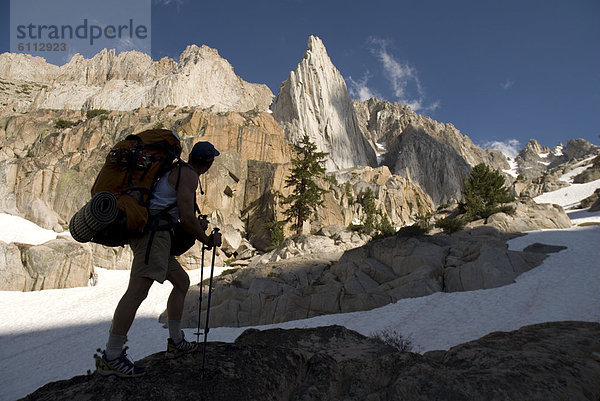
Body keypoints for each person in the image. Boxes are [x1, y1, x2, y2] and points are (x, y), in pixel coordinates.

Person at [96, 141, 222, 378]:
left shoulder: (176, 170)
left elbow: (174, 211)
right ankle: (111, 357)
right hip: (153, 237)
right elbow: (186, 216)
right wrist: (206, 239)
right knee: (137, 292)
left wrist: (197, 227)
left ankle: (175, 341)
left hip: (155, 237)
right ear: (208, 163)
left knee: (182, 282)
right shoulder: (188, 175)